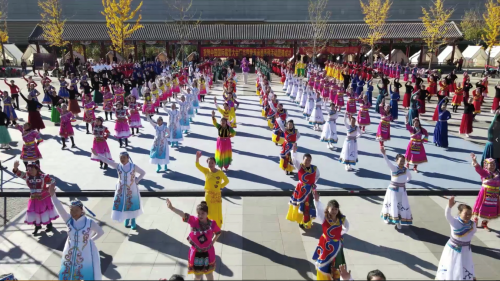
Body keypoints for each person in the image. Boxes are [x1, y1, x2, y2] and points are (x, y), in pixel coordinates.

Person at [48, 184, 104, 280]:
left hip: (85, 251)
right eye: (71, 210)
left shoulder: (89, 222)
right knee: (70, 272)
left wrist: (90, 240)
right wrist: (53, 195)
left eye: (76, 210)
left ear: (82, 210)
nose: (73, 213)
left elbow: (100, 232)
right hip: (70, 250)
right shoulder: (69, 220)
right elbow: (59, 207)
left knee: (85, 271)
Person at [166, 199, 221, 280]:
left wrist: (212, 242)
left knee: (209, 276)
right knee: (197, 276)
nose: (200, 215)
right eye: (199, 213)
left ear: (207, 213)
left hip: (208, 253)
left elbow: (218, 232)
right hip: (196, 254)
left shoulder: (212, 224)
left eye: (203, 213)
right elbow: (183, 214)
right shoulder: (193, 221)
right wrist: (172, 208)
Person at [91, 150, 146, 229]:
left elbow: (143, 172)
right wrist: (97, 154)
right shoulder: (118, 166)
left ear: (128, 158)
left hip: (131, 188)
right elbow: (106, 160)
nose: (122, 159)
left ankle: (133, 220)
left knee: (132, 203)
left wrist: (136, 181)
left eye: (124, 158)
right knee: (123, 203)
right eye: (121, 158)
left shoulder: (133, 166)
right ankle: (126, 219)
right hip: (121, 189)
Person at [435, 196, 476, 281]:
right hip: (453, 250)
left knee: (465, 267)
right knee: (452, 267)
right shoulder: (454, 222)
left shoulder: (472, 224)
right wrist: (449, 206)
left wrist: (475, 223)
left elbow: (472, 233)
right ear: (460, 213)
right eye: (466, 214)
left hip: (465, 251)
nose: (468, 216)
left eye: (470, 214)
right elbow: (447, 215)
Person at [12, 161, 58, 235]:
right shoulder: (27, 176)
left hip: (42, 198)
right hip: (33, 198)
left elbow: (53, 180)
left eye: (32, 170)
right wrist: (15, 167)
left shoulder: (43, 177)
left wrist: (50, 188)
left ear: (37, 169)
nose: (30, 172)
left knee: (44, 212)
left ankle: (49, 225)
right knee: (33, 212)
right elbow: (18, 173)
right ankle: (37, 226)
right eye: (29, 170)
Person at [312, 191, 349, 280]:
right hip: (326, 244)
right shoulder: (324, 218)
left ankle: (334, 277)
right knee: (324, 263)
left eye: (336, 209)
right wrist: (316, 201)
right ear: (328, 209)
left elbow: (347, 228)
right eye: (332, 209)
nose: (334, 211)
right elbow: (319, 210)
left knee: (336, 263)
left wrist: (339, 234)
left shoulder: (341, 219)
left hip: (336, 245)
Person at [286, 143, 320, 230]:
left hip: (310, 190)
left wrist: (313, 184)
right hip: (301, 189)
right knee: (302, 205)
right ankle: (301, 220)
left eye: (309, 160)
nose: (307, 162)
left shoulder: (315, 168)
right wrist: (294, 151)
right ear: (303, 160)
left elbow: (317, 176)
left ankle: (307, 220)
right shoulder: (300, 166)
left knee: (309, 205)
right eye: (306, 160)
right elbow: (294, 160)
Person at [195, 151, 230, 228]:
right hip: (208, 195)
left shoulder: (220, 173)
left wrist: (220, 186)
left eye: (212, 163)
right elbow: (197, 165)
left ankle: (217, 226)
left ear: (215, 163)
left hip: (217, 195)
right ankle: (208, 226)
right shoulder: (206, 171)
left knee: (217, 211)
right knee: (209, 211)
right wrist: (197, 157)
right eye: (209, 163)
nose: (210, 165)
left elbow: (227, 181)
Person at [380, 147, 412, 229]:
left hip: (402, 191)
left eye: (403, 161)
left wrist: (404, 182)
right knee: (392, 204)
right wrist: (384, 154)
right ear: (396, 161)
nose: (402, 162)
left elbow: (409, 177)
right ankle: (387, 218)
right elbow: (387, 162)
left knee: (400, 205)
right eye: (400, 161)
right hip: (393, 191)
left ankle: (399, 222)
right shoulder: (393, 168)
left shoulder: (406, 170)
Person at [470, 153, 500, 231]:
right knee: (480, 208)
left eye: (494, 164)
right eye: (491, 164)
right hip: (485, 194)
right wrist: (474, 160)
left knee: (490, 210)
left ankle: (484, 223)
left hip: (494, 195)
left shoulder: (498, 173)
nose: (493, 166)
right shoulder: (485, 173)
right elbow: (478, 168)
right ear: (486, 165)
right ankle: (474, 222)